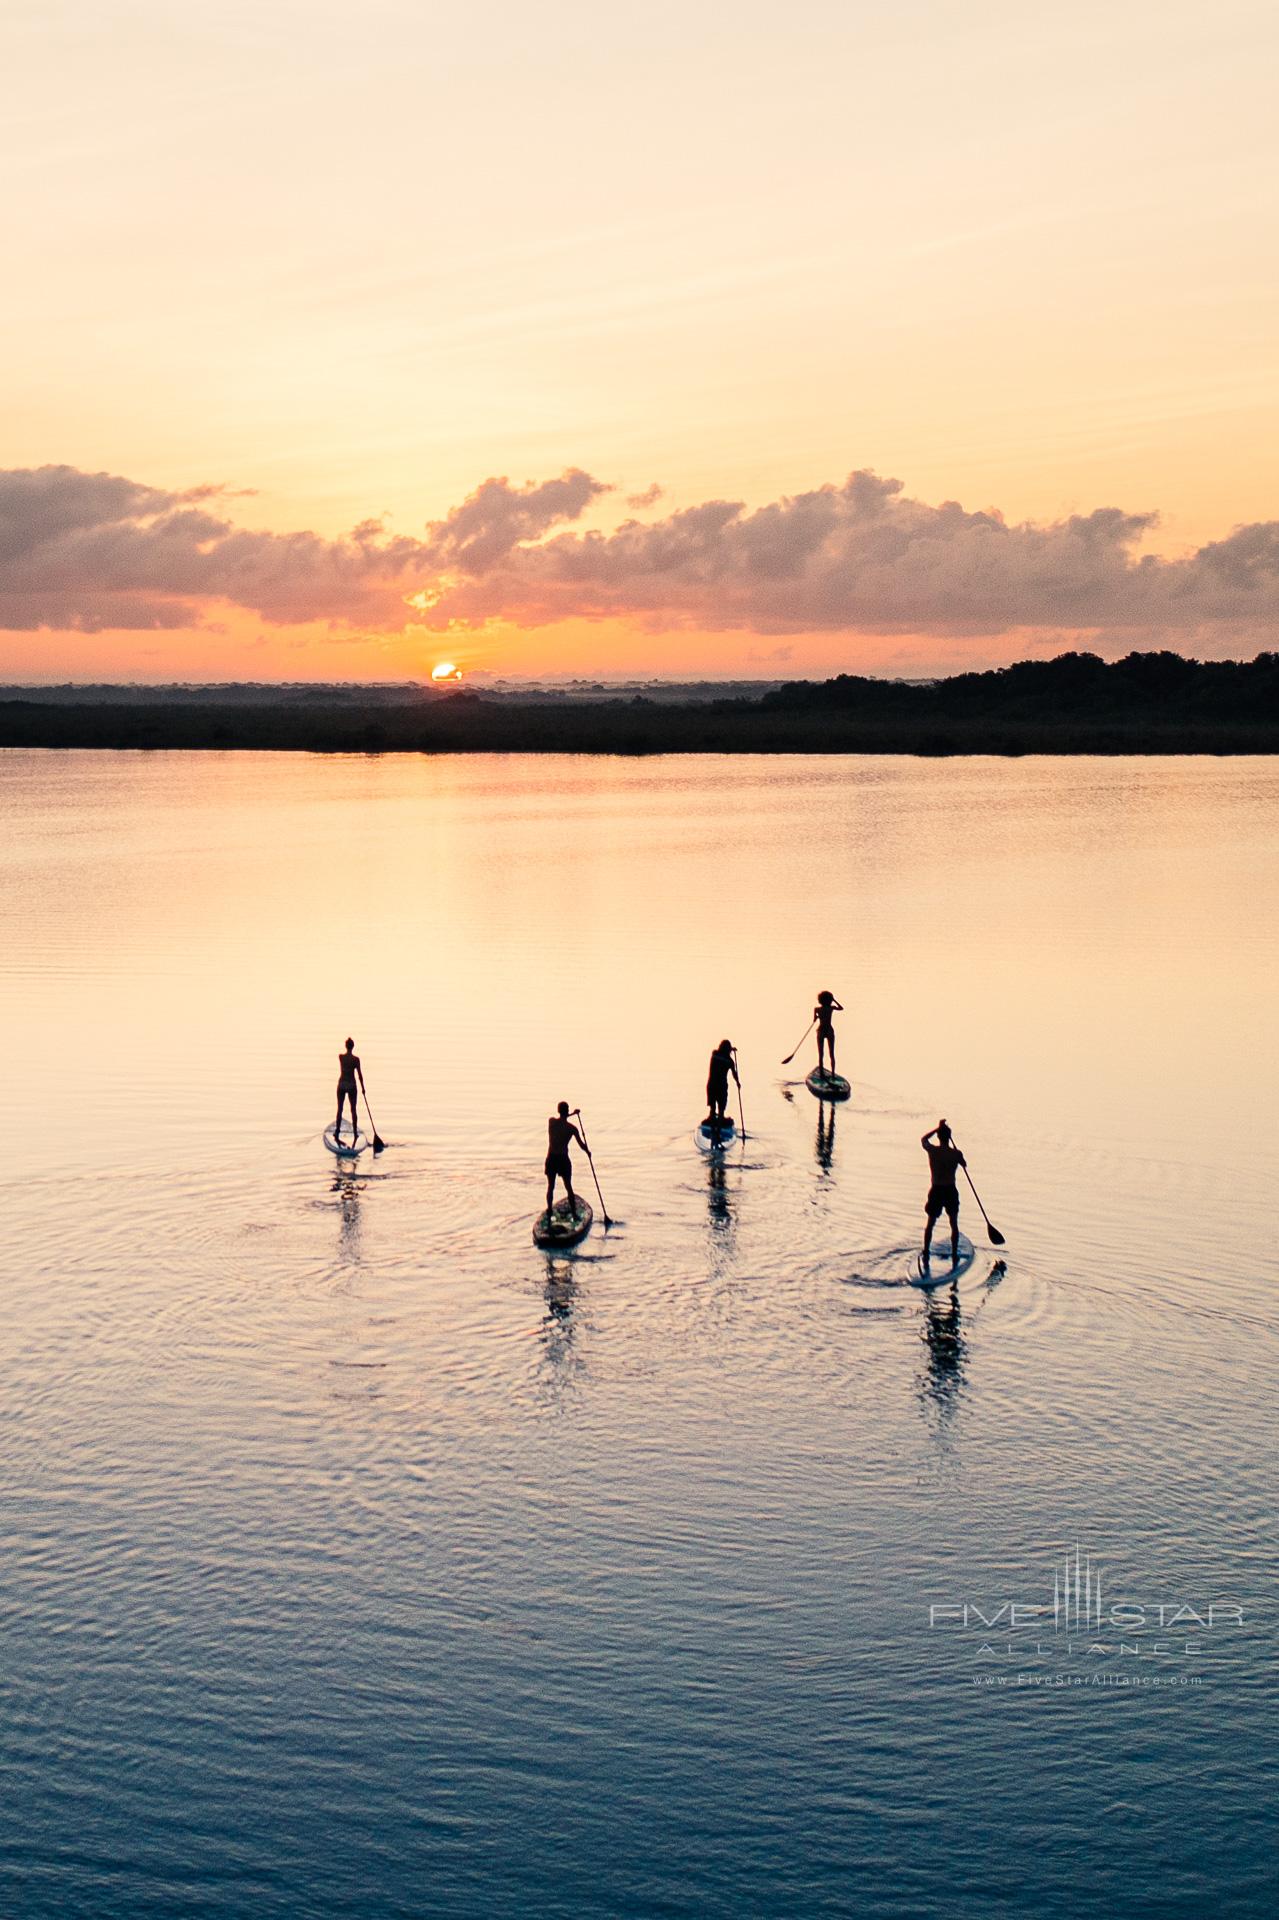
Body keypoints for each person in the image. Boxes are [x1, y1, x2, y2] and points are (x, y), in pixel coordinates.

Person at [921, 1119, 966, 1264]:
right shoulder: (956, 1154)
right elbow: (964, 1164)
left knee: (930, 1223)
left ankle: (926, 1251)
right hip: (950, 1190)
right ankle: (954, 1254)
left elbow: (923, 1140)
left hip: (936, 1190)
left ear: (939, 1137)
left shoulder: (933, 1151)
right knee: (953, 1223)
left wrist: (937, 1128)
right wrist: (960, 1158)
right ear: (949, 1137)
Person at [545, 1101, 585, 1219]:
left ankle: (549, 1210)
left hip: (552, 1158)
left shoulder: (551, 1122)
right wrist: (588, 1152)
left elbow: (562, 1119)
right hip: (562, 1159)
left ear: (558, 1111)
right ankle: (574, 1213)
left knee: (550, 1186)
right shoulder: (572, 1128)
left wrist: (572, 1113)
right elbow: (581, 1144)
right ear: (567, 1111)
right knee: (568, 1186)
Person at [335, 1038, 365, 1140]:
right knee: (353, 1110)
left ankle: (337, 1131)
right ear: (353, 1046)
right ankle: (355, 1132)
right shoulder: (356, 1060)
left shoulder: (341, 1057)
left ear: (346, 1046)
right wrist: (363, 1088)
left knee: (340, 1109)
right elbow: (360, 1075)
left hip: (342, 1084)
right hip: (351, 1085)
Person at [706, 1039, 739, 1128]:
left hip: (711, 1085)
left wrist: (731, 1049)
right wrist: (737, 1083)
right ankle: (720, 1121)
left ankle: (712, 1118)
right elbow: (734, 1073)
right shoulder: (729, 1061)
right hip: (721, 1086)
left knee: (713, 1107)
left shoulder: (714, 1054)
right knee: (721, 1108)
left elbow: (722, 1053)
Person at [814, 990, 843, 1075]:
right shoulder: (831, 1008)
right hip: (829, 1030)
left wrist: (817, 1017)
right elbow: (841, 1008)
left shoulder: (817, 1009)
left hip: (821, 1031)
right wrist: (834, 1000)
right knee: (831, 1053)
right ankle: (833, 1074)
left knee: (821, 1053)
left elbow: (814, 1019)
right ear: (830, 1000)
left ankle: (822, 1074)